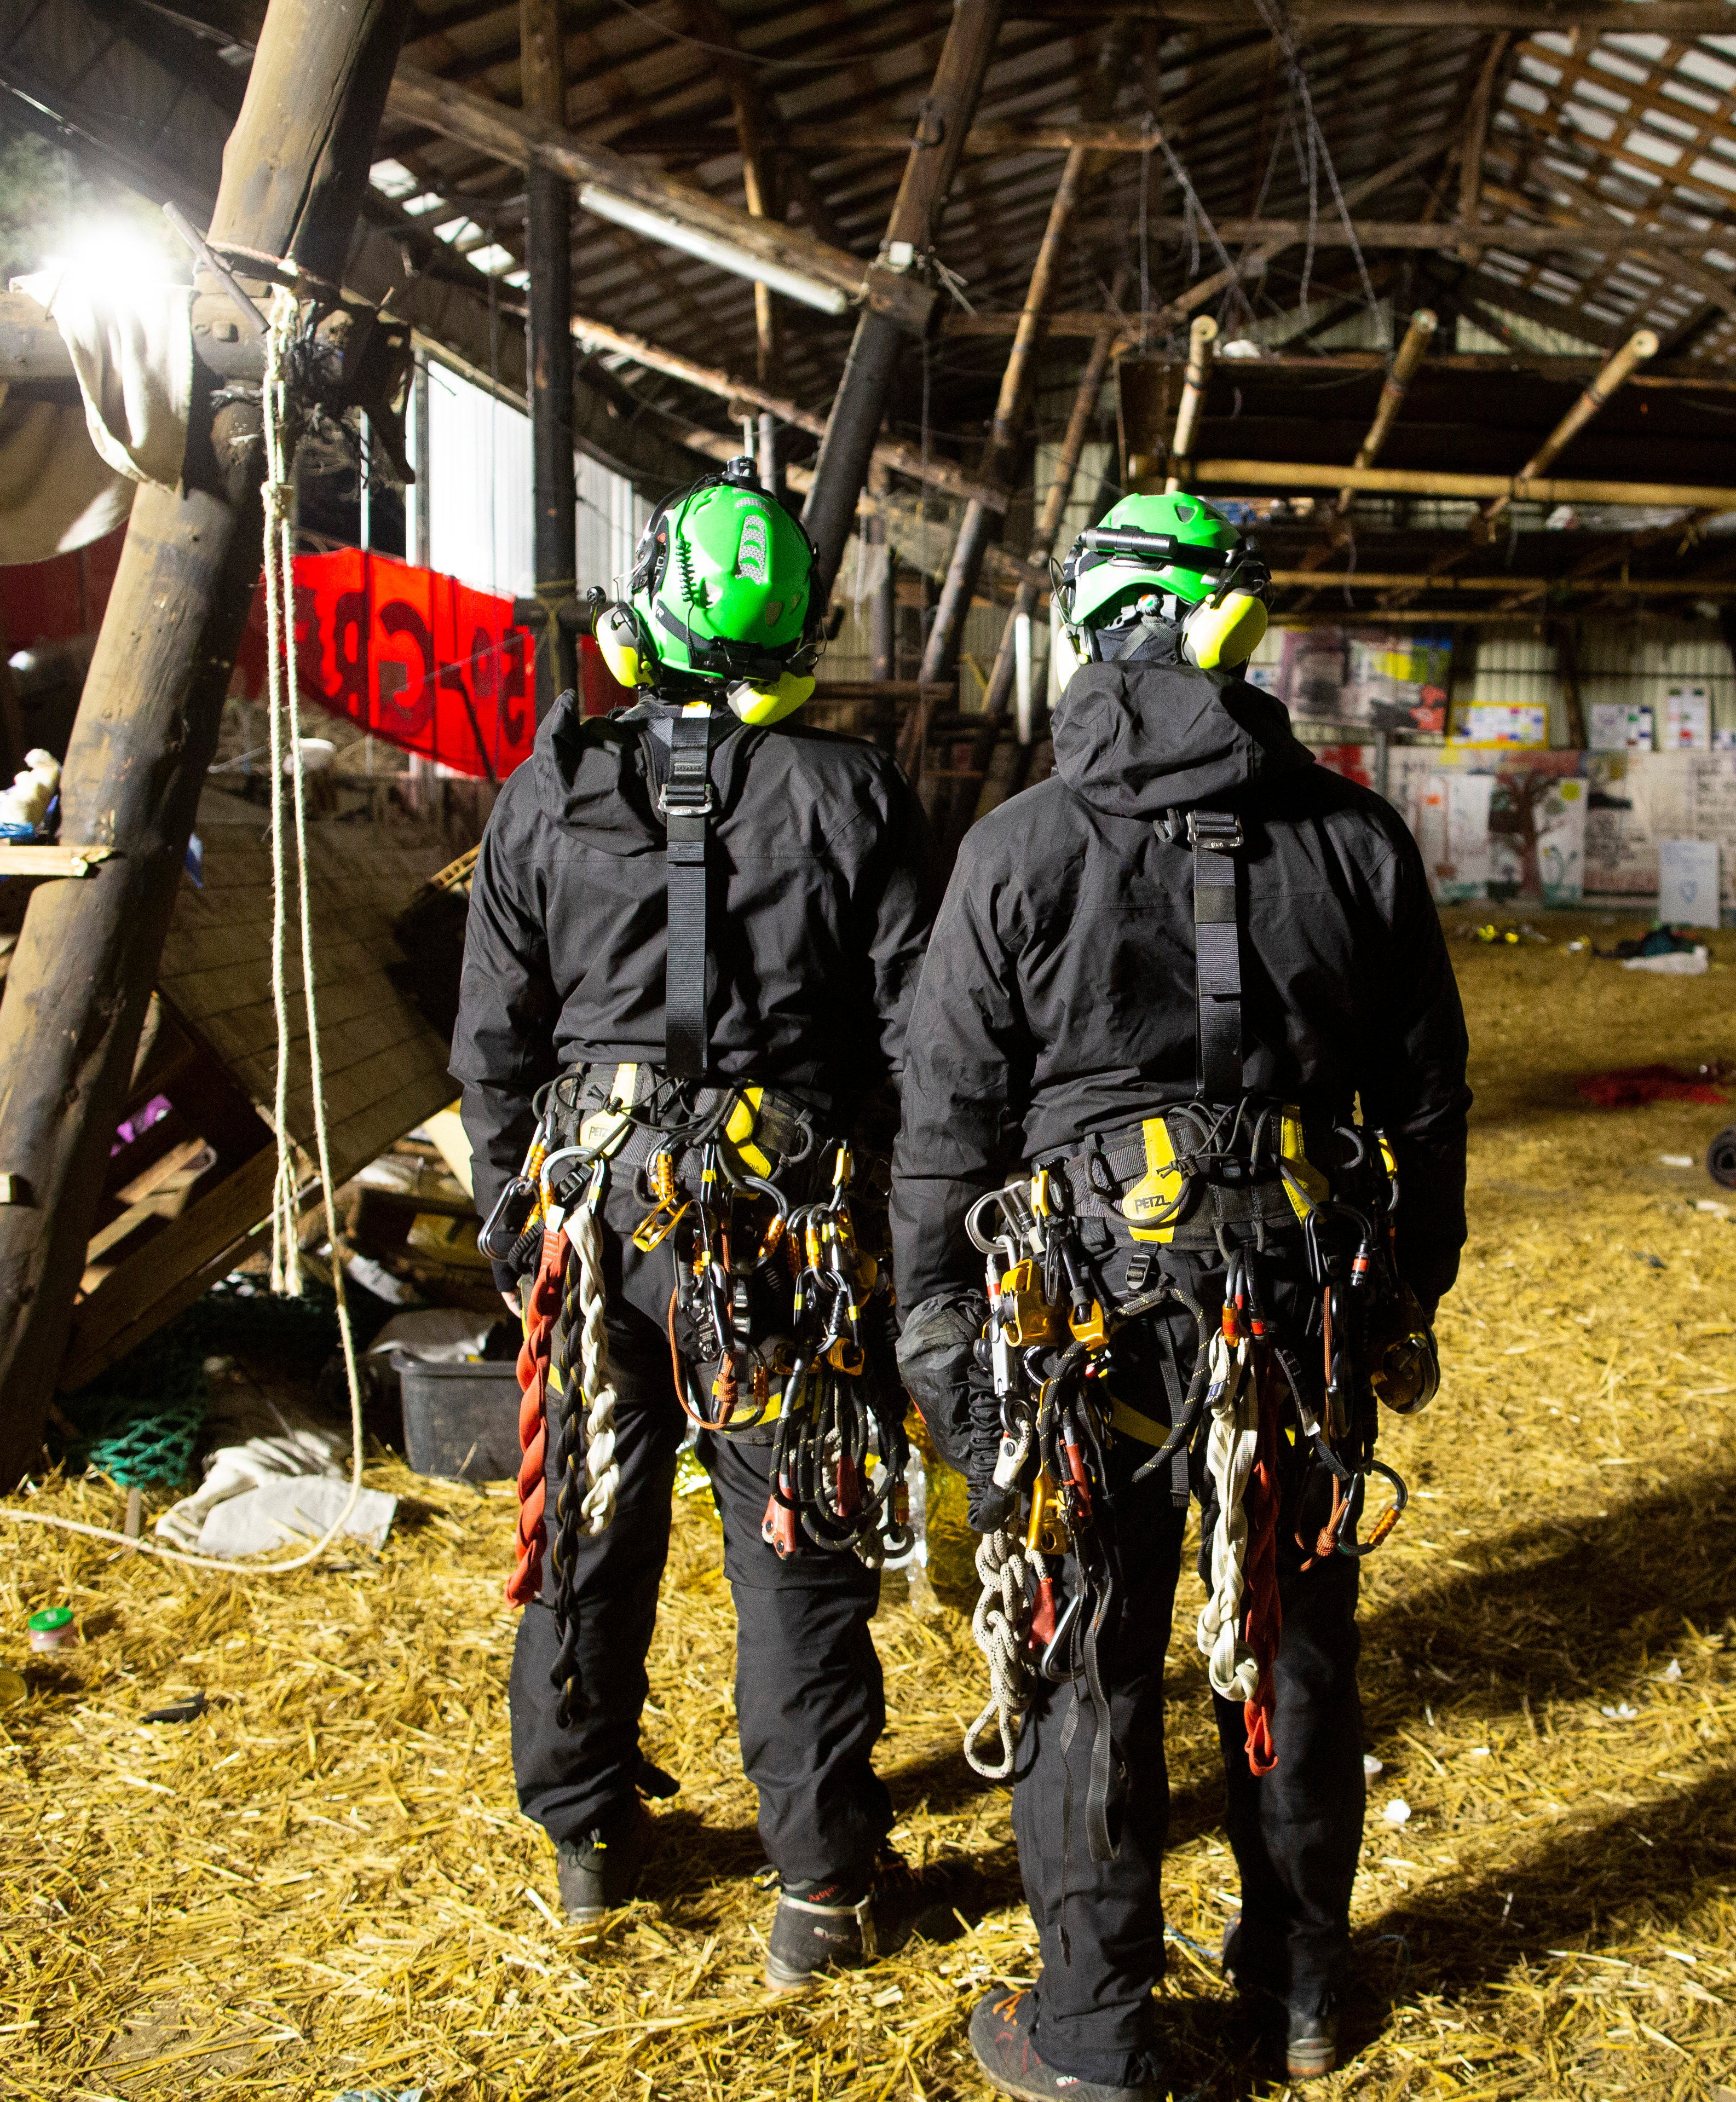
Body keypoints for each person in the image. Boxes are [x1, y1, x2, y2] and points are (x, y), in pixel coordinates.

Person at [893, 492, 1472, 2100]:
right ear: (1232, 634)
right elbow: (1428, 1101)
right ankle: (1297, 1991)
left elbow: (942, 1119)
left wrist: (935, 1327)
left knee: (1090, 1659)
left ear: (1096, 630)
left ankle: (1090, 2040)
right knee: (1288, 1645)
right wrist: (1404, 1298)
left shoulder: (1020, 847)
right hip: (1292, 1318)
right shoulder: (1354, 841)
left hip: (1085, 1327)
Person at [455, 458, 939, 1985]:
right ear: (798, 640)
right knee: (794, 1547)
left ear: (640, 623)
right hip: (778, 1241)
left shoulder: (548, 793)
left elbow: (494, 1049)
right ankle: (818, 1891)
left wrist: (505, 1220)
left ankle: (589, 1843)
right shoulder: (855, 798)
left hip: (591, 1228)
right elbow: (918, 1047)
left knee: (591, 1528)